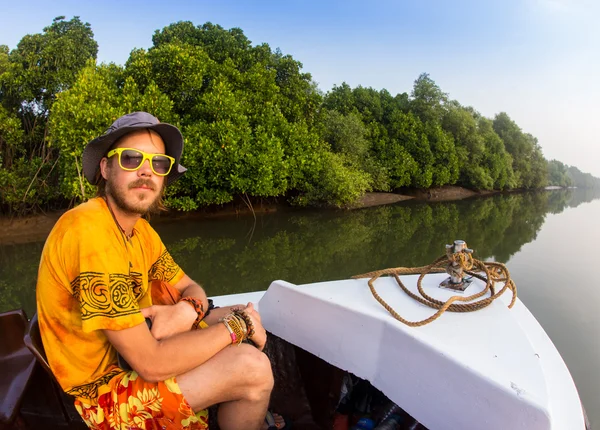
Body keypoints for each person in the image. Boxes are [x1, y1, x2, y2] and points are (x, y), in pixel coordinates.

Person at [36, 112, 286, 430]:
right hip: (99, 399)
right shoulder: (88, 232)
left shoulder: (140, 232)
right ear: (105, 167)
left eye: (158, 164)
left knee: (226, 316)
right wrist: (239, 326)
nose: (146, 171)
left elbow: (191, 287)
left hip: (133, 356)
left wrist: (187, 309)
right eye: (130, 158)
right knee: (251, 367)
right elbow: (152, 365)